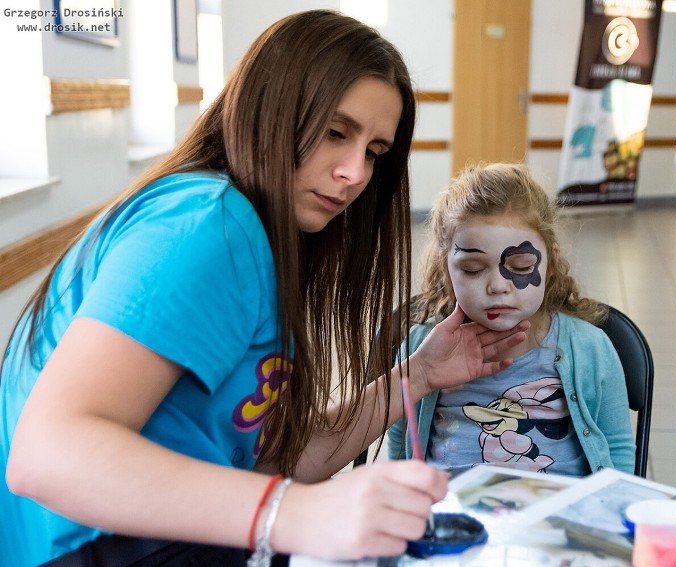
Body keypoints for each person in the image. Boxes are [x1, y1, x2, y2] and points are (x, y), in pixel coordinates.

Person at [0, 11, 528, 566]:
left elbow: (273, 468)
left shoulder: (260, 235)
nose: (354, 172)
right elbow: (47, 454)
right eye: (334, 133)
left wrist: (417, 375)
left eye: (374, 152)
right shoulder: (209, 226)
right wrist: (295, 514)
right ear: (271, 108)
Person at [388, 163, 635, 477]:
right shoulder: (421, 349)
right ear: (445, 268)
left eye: (520, 266)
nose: (497, 286)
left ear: (551, 263)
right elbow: (400, 445)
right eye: (473, 269)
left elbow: (618, 451)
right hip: (452, 518)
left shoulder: (591, 350)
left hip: (554, 519)